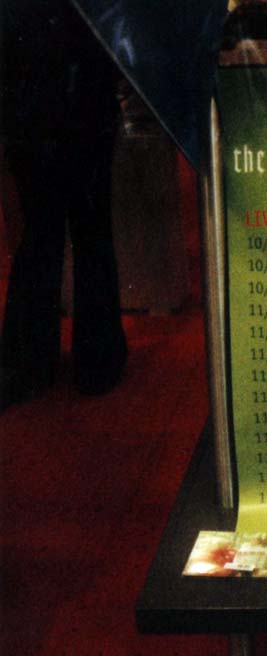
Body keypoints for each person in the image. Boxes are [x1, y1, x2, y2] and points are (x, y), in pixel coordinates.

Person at [1, 1, 128, 407]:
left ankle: (30, 361)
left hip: (32, 109)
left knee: (41, 237)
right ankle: (98, 360)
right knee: (90, 233)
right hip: (83, 102)